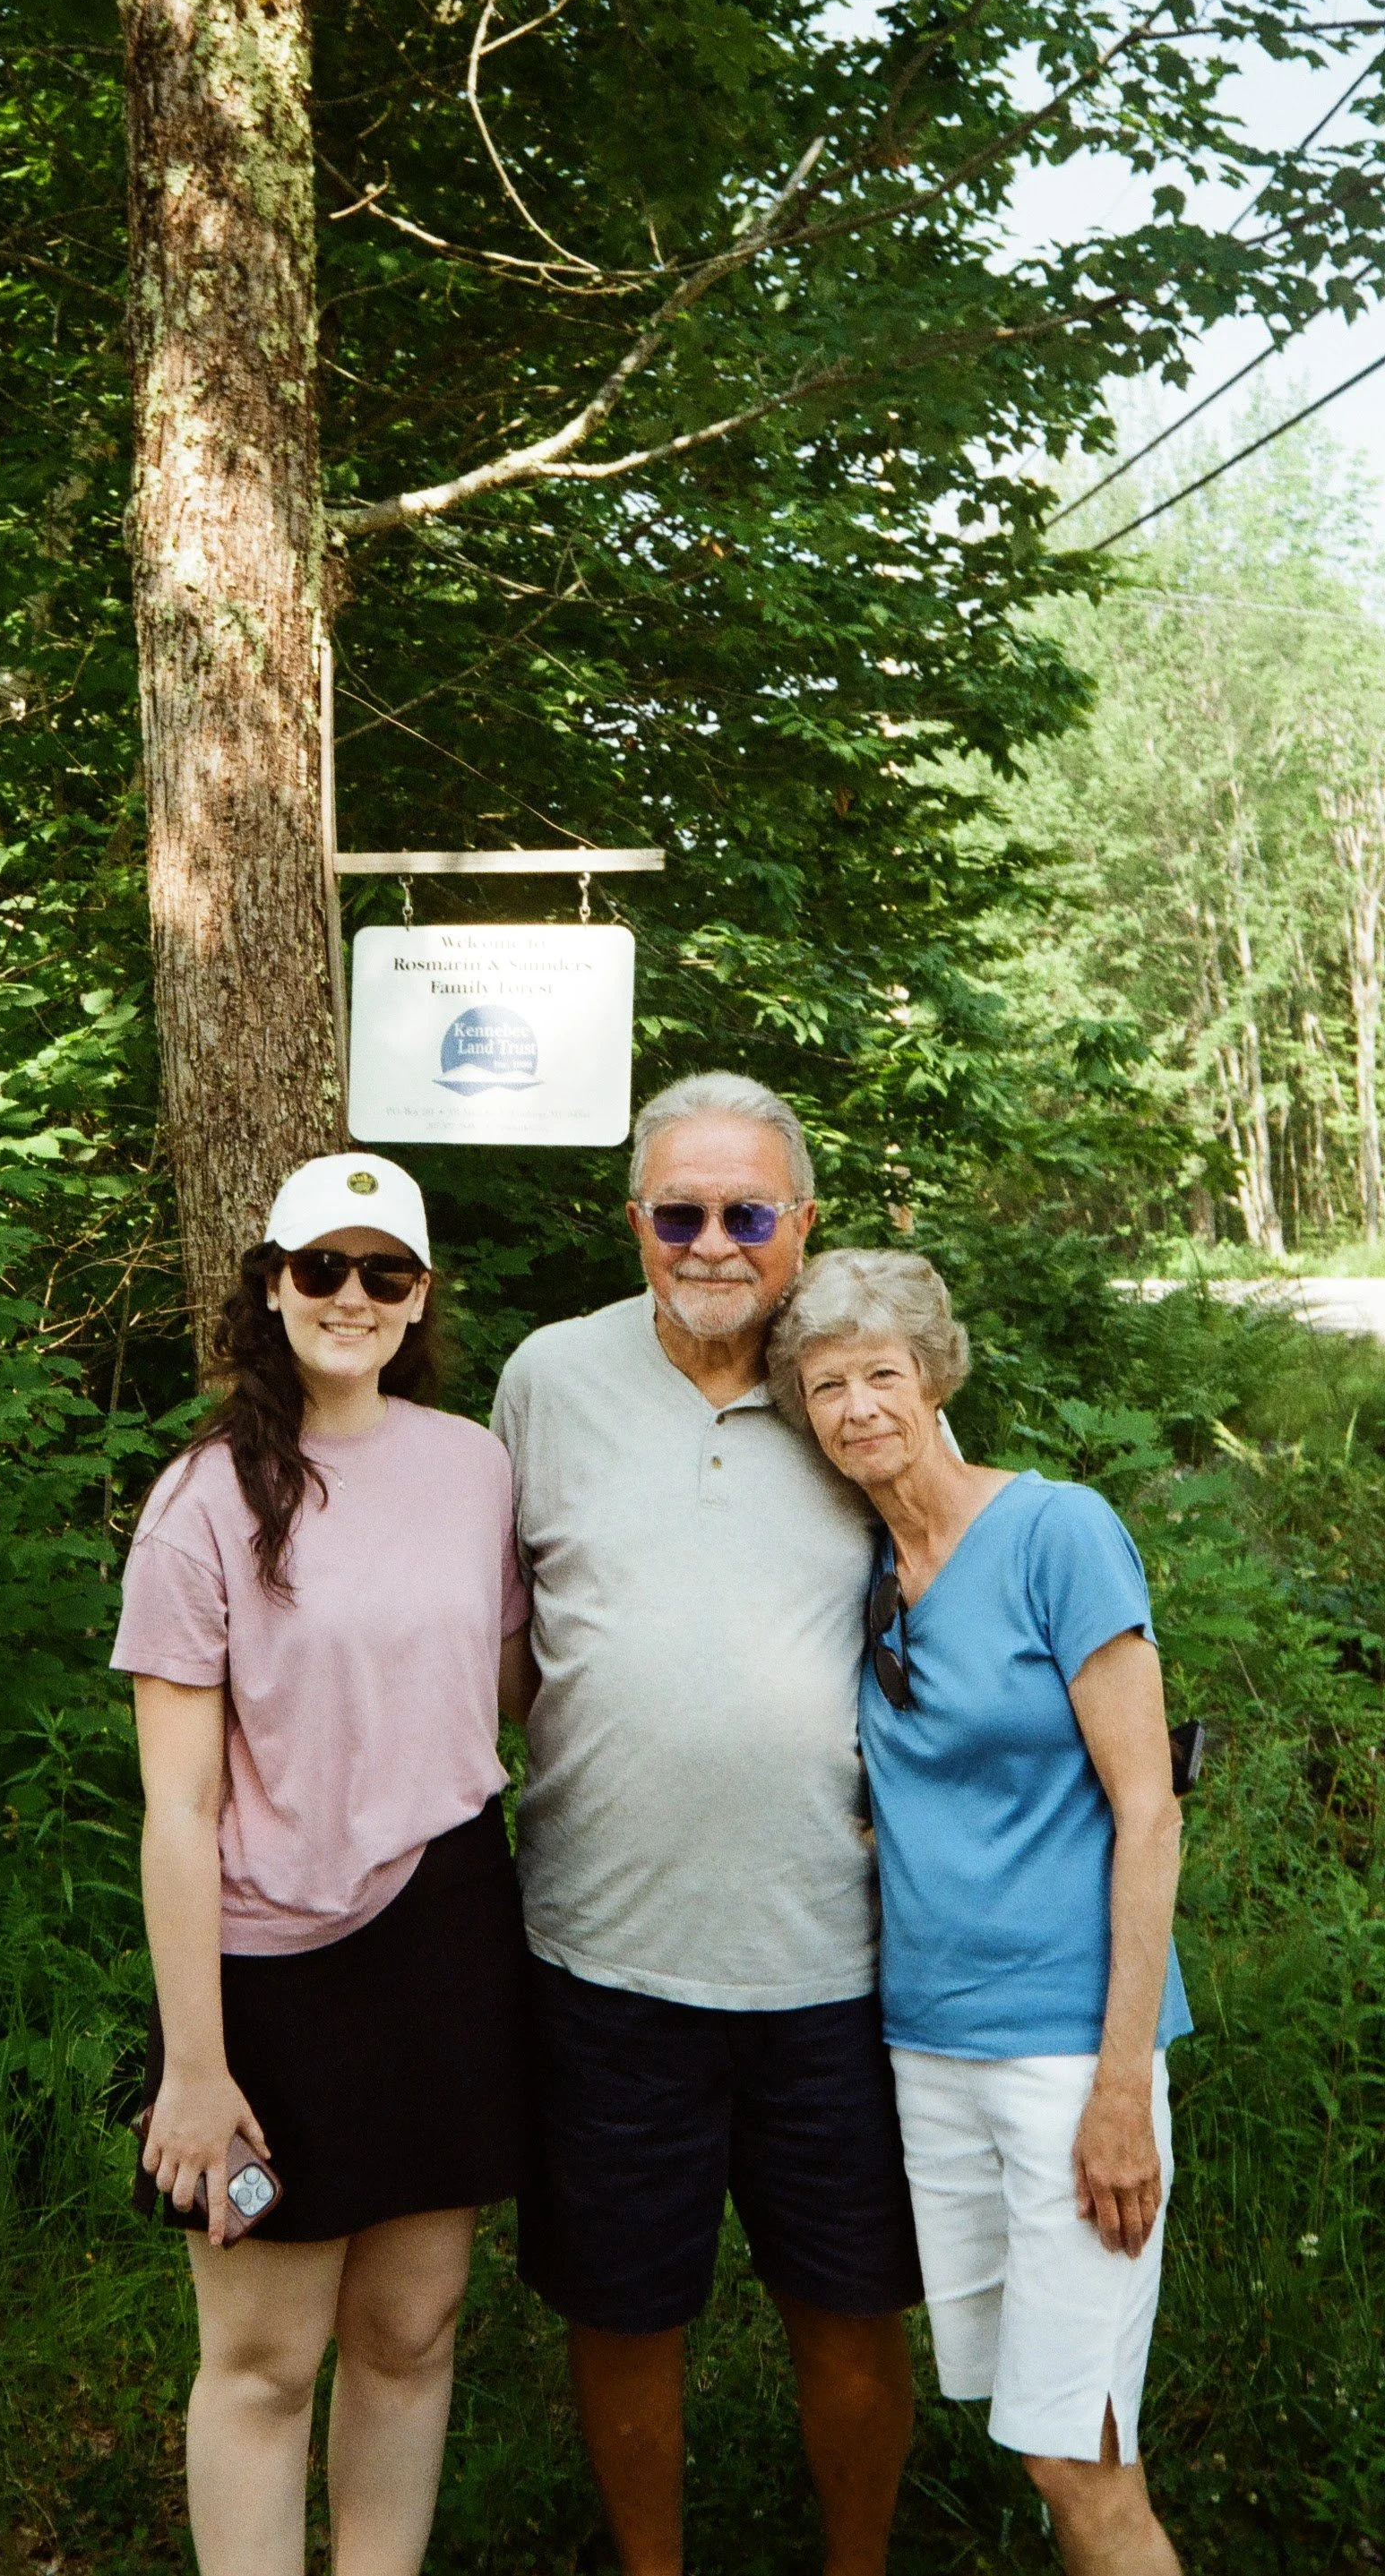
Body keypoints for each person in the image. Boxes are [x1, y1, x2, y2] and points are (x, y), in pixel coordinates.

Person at [493, 1072, 923, 2576]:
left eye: (749, 1213)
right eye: (681, 1214)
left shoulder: (853, 1388)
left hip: (839, 1960)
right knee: (623, 2311)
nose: (714, 1244)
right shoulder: (547, 1377)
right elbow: (495, 1636)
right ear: (635, 1226)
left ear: (803, 1225)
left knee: (854, 2306)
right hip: (605, 1952)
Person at [111, 1154, 536, 2576]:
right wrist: (194, 2064)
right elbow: (174, 1810)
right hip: (268, 1979)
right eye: (323, 1268)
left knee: (411, 2332)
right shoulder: (202, 1500)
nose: (353, 1297)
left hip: (451, 1935)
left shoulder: (473, 1465)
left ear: (420, 1300)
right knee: (263, 2361)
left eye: (386, 1274)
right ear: (273, 1283)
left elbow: (518, 1681)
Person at [770, 1247, 1190, 2576]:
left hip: (1069, 2054)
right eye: (826, 1385)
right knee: (1042, 2435)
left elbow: (1151, 1812)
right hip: (929, 2049)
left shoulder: (1057, 1530)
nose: (856, 1407)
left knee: (1082, 2449)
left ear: (938, 1375)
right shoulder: (869, 1577)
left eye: (881, 1372)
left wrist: (1121, 2084)